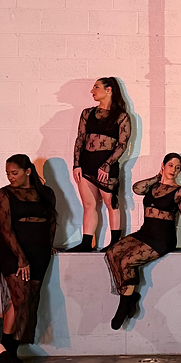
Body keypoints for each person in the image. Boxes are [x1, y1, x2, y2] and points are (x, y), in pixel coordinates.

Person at [106, 154, 181, 330]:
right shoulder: (152, 186)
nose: (174, 170)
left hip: (163, 238)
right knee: (112, 252)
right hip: (145, 232)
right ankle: (131, 297)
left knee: (127, 261)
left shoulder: (180, 192)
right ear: (163, 165)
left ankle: (124, 304)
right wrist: (158, 176)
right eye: (171, 165)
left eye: (178, 167)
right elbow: (136, 188)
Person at [0, 154, 57, 355]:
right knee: (20, 297)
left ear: (28, 171)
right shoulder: (4, 193)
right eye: (7, 173)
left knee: (27, 298)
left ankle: (6, 349)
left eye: (14, 173)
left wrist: (49, 246)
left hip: (39, 250)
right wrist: (21, 259)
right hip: (12, 250)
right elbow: (6, 228)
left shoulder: (46, 192)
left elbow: (52, 221)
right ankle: (9, 351)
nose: (10, 177)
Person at [69, 77, 132, 251]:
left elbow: (122, 144)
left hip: (106, 164)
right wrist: (76, 164)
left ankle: (114, 243)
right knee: (88, 205)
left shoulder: (121, 116)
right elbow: (80, 139)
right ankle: (86, 243)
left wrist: (107, 164)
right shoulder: (87, 113)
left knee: (111, 203)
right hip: (86, 163)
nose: (92, 91)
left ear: (109, 89)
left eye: (96, 87)